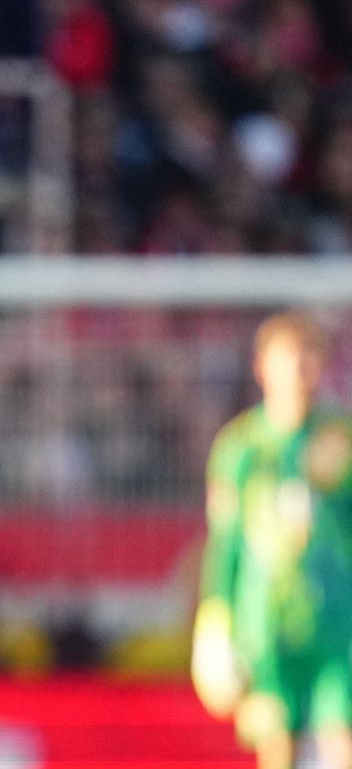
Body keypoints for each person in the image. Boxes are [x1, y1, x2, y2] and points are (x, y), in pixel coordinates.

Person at [193, 311, 352, 769]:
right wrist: (216, 619)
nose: (301, 371)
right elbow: (225, 540)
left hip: (336, 622)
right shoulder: (240, 447)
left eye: (310, 359)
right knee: (276, 748)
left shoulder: (341, 440)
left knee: (339, 742)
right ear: (262, 366)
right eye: (290, 359)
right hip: (265, 623)